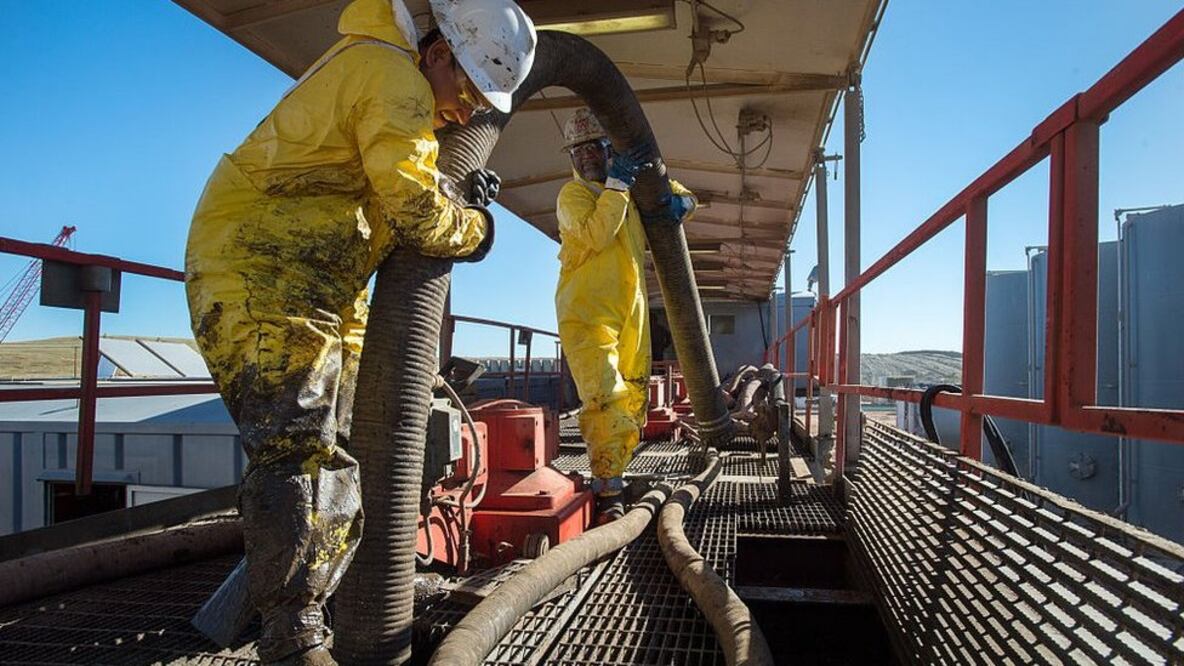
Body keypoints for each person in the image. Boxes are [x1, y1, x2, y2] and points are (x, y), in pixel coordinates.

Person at [184, 0, 535, 663]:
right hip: (260, 273)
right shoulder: (392, 78)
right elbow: (416, 216)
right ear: (437, 54)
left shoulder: (393, 80)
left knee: (343, 443)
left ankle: (332, 595)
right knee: (300, 451)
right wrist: (476, 229)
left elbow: (389, 185)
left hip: (313, 277)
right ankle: (292, 638)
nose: (465, 112)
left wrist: (452, 188)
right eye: (466, 91)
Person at [554, 108, 696, 524]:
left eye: (593, 147)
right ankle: (607, 490)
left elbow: (680, 192)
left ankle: (616, 469)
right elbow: (597, 233)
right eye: (577, 151)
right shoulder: (573, 196)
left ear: (608, 148)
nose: (586, 158)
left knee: (633, 397)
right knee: (603, 397)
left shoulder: (627, 192)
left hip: (629, 313)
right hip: (587, 317)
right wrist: (618, 184)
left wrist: (680, 202)